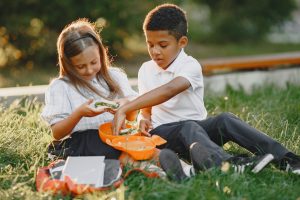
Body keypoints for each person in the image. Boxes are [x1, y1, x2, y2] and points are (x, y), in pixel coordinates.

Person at [112, 3, 300, 179]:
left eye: (162, 45)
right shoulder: (146, 69)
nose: (155, 51)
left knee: (225, 119)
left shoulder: (190, 65)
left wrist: (127, 107)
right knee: (187, 126)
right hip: (163, 136)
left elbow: (170, 90)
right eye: (150, 44)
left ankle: (288, 160)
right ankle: (228, 163)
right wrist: (143, 117)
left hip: (198, 134)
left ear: (182, 42)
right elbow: (148, 107)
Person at [40, 18, 139, 159]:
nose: (89, 70)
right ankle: (131, 160)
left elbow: (133, 114)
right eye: (80, 66)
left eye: (94, 62)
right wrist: (79, 113)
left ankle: (155, 158)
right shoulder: (61, 87)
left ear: (101, 54)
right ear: (68, 64)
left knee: (142, 137)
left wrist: (125, 105)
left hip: (116, 135)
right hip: (85, 140)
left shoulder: (115, 76)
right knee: (97, 142)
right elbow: (57, 133)